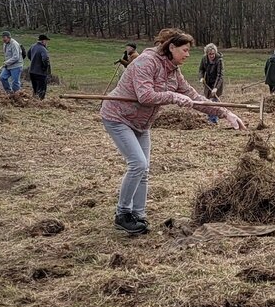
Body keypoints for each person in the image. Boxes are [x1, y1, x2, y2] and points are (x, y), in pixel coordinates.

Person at [100, 28, 244, 235]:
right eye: (185, 50)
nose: (187, 55)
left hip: (141, 123)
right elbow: (144, 95)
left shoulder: (173, 72)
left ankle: (138, 216)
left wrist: (225, 113)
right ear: (172, 47)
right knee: (138, 163)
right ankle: (123, 214)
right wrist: (173, 97)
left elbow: (195, 99)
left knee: (144, 169)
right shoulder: (146, 62)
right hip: (118, 117)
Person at [198, 43, 225, 124]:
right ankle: (210, 118)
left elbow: (220, 75)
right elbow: (201, 70)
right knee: (208, 101)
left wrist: (216, 88)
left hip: (217, 83)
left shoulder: (219, 60)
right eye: (210, 54)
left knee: (214, 101)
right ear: (207, 54)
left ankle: (213, 120)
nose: (212, 55)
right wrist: (201, 78)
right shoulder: (204, 59)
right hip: (208, 83)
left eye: (213, 53)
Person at [26, 34, 54, 99]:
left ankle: (34, 101)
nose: (47, 43)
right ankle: (40, 103)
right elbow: (45, 59)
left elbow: (28, 54)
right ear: (43, 41)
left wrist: (33, 61)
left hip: (32, 71)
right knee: (42, 89)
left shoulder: (33, 46)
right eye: (46, 41)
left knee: (35, 89)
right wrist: (45, 67)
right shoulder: (43, 49)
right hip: (40, 72)